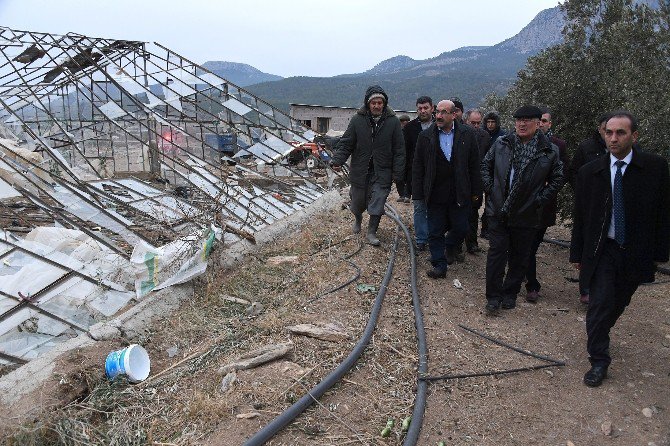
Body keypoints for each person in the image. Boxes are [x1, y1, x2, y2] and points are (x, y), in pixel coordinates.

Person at [570, 111, 669, 387]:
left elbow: (663, 213)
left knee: (619, 301)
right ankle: (599, 359)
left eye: (620, 133)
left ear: (634, 136)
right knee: (599, 303)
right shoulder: (591, 172)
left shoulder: (655, 168)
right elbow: (581, 217)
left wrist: (660, 253)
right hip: (603, 250)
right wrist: (577, 254)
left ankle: (599, 331)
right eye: (609, 132)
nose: (613, 138)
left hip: (636, 251)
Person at [480, 105, 563, 312]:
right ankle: (493, 297)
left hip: (527, 212)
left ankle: (510, 293)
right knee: (496, 253)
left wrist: (540, 199)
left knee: (519, 256)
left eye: (527, 120)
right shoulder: (502, 143)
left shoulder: (548, 150)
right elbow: (485, 166)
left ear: (538, 123)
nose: (522, 124)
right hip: (498, 209)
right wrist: (491, 189)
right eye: (518, 120)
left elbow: (558, 178)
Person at [412, 100, 481, 278]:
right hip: (435, 192)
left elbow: (474, 165)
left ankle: (449, 246)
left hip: (459, 192)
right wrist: (418, 192)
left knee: (461, 228)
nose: (439, 116)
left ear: (454, 114)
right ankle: (439, 265)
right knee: (434, 231)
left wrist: (476, 191)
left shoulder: (467, 134)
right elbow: (418, 166)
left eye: (444, 112)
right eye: (438, 112)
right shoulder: (426, 136)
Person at [331, 85, 405, 246]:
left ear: (384, 104)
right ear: (368, 104)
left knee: (378, 199)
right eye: (374, 103)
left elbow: (400, 149)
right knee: (358, 202)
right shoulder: (358, 120)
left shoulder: (392, 122)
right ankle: (358, 217)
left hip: (383, 170)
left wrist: (397, 173)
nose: (377, 106)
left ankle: (371, 232)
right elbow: (346, 143)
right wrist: (337, 160)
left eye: (380, 103)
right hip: (360, 169)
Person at [524, 107, 570, 303]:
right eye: (538, 120)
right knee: (525, 246)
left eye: (544, 121)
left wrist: (546, 192)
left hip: (543, 206)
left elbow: (563, 175)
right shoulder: (522, 142)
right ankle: (531, 284)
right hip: (522, 206)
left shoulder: (558, 146)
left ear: (549, 124)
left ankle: (527, 279)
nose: (541, 124)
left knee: (532, 246)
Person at [404, 96, 435, 250]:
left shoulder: (440, 125)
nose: (423, 111)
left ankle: (435, 237)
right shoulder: (409, 128)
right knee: (419, 207)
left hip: (437, 175)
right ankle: (421, 239)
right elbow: (405, 154)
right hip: (416, 175)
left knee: (435, 208)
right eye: (420, 108)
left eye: (426, 108)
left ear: (432, 108)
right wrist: (404, 180)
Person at [463, 108, 491, 254]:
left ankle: (472, 243)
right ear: (466, 121)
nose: (475, 126)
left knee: (474, 212)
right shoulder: (459, 134)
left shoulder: (485, 136)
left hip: (477, 181)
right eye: (472, 123)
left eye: (478, 123)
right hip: (461, 180)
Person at [481, 110, 507, 239]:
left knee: (492, 202)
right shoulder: (481, 134)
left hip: (496, 174)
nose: (490, 125)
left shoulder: (503, 136)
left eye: (493, 122)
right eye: (488, 122)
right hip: (482, 172)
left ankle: (488, 228)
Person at [394, 114, 412, 200]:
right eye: (402, 122)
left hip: (409, 158)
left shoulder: (411, 131)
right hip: (398, 158)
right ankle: (401, 194)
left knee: (409, 177)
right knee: (398, 177)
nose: (404, 124)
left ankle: (407, 195)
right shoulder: (396, 132)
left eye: (406, 122)